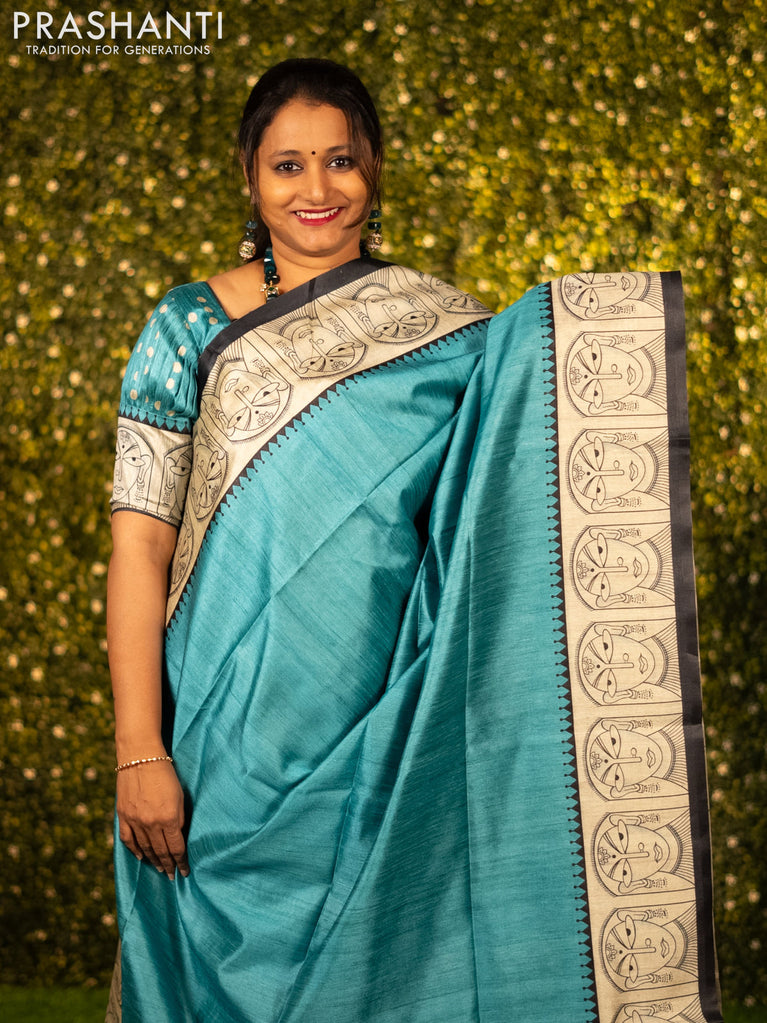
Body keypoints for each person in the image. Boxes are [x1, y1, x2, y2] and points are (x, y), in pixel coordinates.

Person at [107, 59, 720, 1023]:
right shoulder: (188, 326)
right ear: (249, 177)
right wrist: (139, 748)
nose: (316, 189)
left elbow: (504, 505)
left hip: (380, 727)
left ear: (375, 169)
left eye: (341, 160)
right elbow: (140, 548)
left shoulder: (449, 334)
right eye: (287, 165)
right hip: (215, 730)